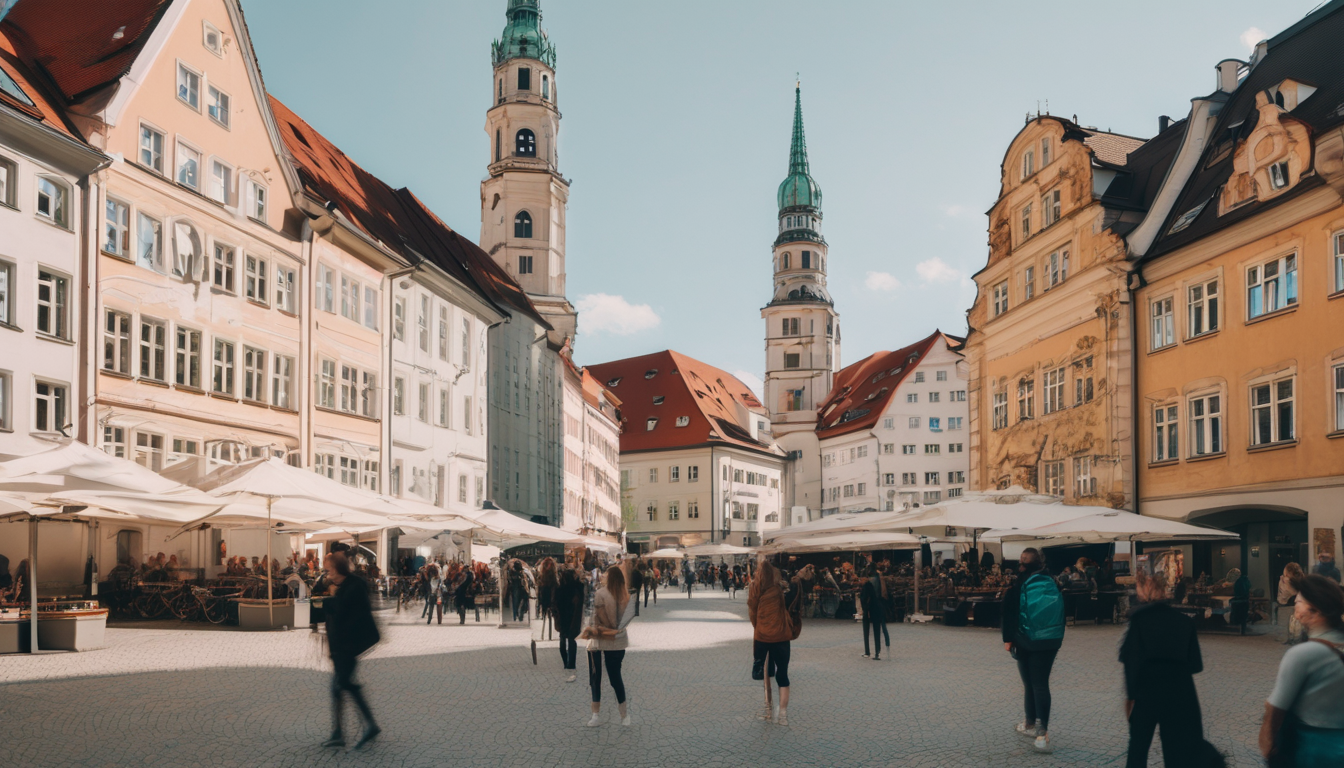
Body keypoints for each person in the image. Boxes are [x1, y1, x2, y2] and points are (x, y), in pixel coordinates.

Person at [1120, 571, 1212, 768]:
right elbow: (1196, 665)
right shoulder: (1185, 622)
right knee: (1175, 750)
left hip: (1147, 691)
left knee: (1138, 749)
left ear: (1144, 591)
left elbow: (1130, 660)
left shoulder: (1139, 621)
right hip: (1180, 691)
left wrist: (1130, 698)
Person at [1260, 574, 1344, 767]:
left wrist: (1268, 747)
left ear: (1313, 609)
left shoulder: (1303, 654)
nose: (1295, 605)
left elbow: (1275, 709)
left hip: (1316, 749)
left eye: (1298, 601)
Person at [1001, 547, 1065, 754]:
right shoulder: (1053, 580)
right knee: (1040, 683)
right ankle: (1039, 729)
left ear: (1022, 563)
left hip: (1025, 639)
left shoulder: (1019, 583)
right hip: (1051, 639)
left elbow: (1009, 612)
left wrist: (1008, 639)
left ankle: (1034, 727)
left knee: (1030, 683)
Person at [321, 552, 381, 750]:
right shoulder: (344, 586)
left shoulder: (354, 586)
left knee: (342, 685)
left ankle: (363, 727)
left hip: (349, 645)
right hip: (341, 646)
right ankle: (341, 732)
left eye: (328, 569)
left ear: (338, 569)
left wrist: (330, 598)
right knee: (341, 686)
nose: (326, 572)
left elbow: (343, 612)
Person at [748, 557, 813, 726]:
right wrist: (797, 578)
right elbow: (793, 603)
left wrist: (760, 627)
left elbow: (752, 613)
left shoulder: (755, 589)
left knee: (765, 672)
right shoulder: (780, 591)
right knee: (782, 674)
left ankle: (768, 708)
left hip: (762, 637)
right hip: (781, 638)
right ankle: (782, 714)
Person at [580, 565, 637, 726]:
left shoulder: (600, 594)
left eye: (605, 575)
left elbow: (593, 618)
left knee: (595, 677)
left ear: (609, 578)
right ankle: (624, 715)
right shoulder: (627, 596)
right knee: (615, 678)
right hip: (618, 641)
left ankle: (596, 715)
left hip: (598, 640)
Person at [554, 566, 585, 683]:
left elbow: (555, 603)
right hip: (572, 619)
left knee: (563, 642)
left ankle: (567, 663)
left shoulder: (560, 589)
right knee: (571, 641)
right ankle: (570, 664)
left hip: (563, 619)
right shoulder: (577, 588)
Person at [860, 563, 889, 660]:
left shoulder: (868, 584)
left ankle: (867, 651)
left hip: (869, 608)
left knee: (867, 630)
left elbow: (866, 598)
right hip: (879, 606)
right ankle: (877, 652)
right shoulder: (879, 578)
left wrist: (865, 610)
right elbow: (883, 593)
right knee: (878, 630)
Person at [1279, 562, 1306, 644]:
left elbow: (1284, 591)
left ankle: (1290, 638)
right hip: (1297, 601)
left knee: (1288, 622)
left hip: (1288, 602)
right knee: (1296, 622)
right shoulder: (1302, 579)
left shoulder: (1285, 580)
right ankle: (1296, 638)